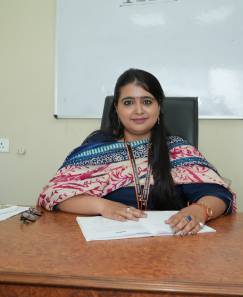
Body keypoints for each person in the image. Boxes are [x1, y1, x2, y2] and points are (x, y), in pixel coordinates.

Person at [38, 68, 236, 236]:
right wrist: (102, 206)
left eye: (147, 102)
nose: (138, 110)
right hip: (106, 249)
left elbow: (218, 194)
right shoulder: (96, 146)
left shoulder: (178, 150)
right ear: (116, 108)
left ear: (159, 107)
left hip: (173, 247)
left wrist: (200, 210)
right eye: (128, 102)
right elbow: (56, 194)